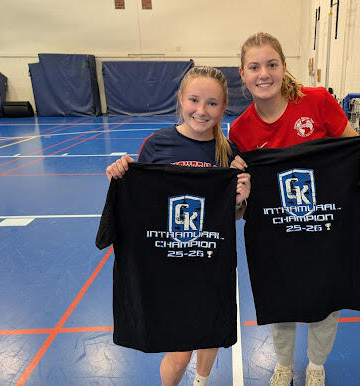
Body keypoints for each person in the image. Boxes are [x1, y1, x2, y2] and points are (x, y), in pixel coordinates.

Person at [229, 32, 360, 386]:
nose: (263, 74)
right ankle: (283, 365)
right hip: (276, 231)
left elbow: (353, 145)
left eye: (271, 64)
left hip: (326, 225)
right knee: (280, 295)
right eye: (254, 67)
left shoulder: (317, 102)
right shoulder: (241, 129)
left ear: (283, 67)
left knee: (326, 297)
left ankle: (316, 366)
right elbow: (241, 201)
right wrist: (239, 193)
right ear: (242, 74)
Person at [106, 66, 251, 386]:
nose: (202, 110)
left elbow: (234, 217)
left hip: (209, 262)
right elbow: (142, 204)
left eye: (212, 103)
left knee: (210, 331)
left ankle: (201, 381)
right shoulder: (157, 144)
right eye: (194, 100)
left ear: (224, 106)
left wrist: (240, 200)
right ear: (180, 100)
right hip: (168, 265)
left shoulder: (230, 153)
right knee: (178, 351)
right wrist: (120, 175)